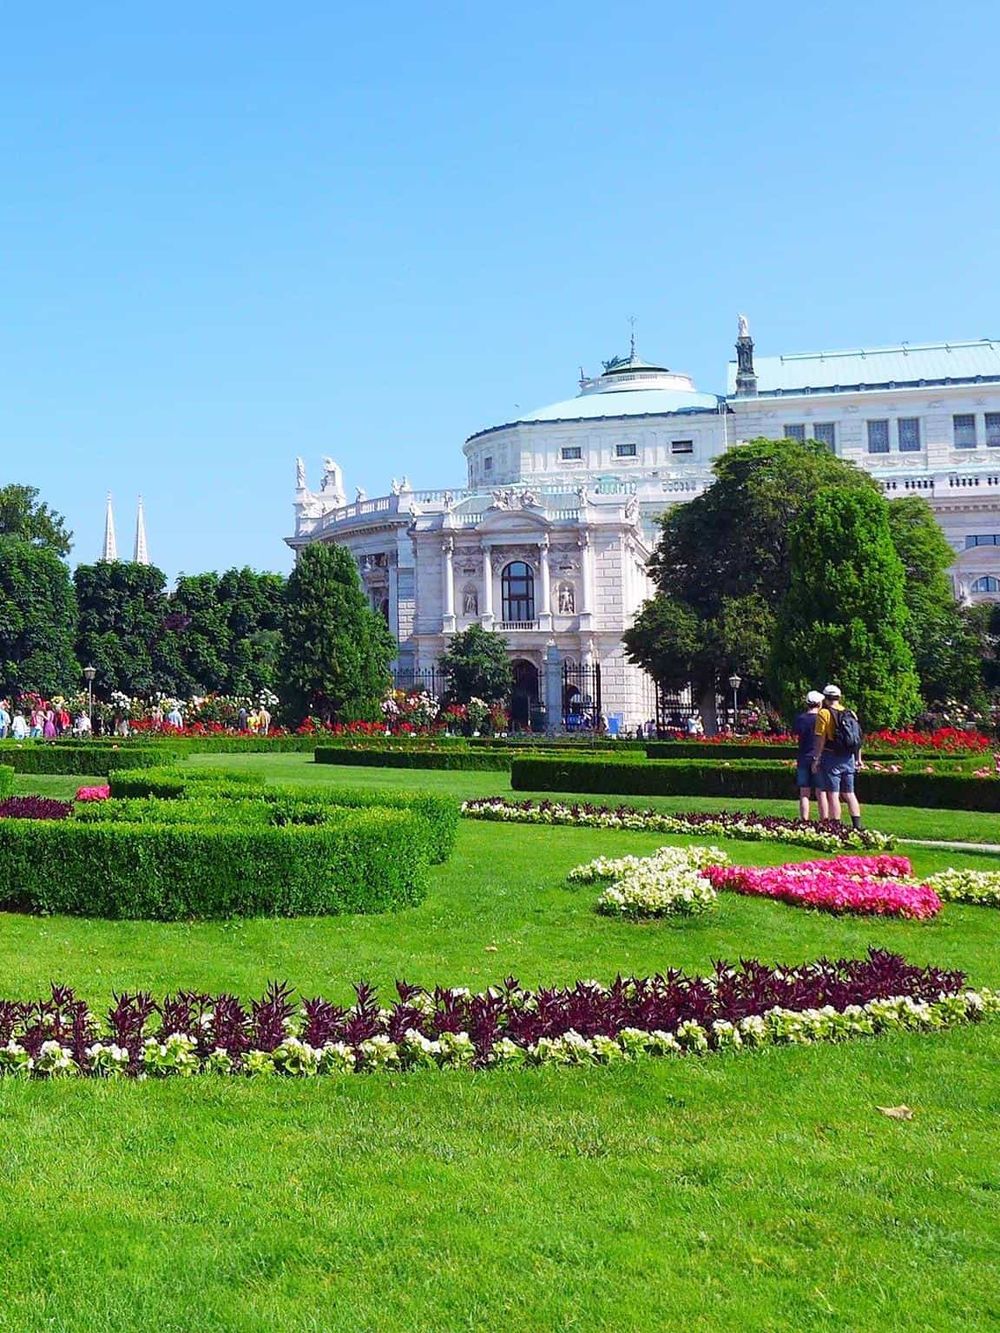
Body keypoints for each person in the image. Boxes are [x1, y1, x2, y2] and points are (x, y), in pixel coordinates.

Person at [812, 684, 864, 829]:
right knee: (849, 793)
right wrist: (858, 759)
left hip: (832, 756)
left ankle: (836, 826)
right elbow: (857, 739)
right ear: (839, 697)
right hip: (849, 757)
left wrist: (816, 758)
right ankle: (857, 825)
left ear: (825, 698)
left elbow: (820, 739)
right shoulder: (851, 713)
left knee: (833, 794)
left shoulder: (824, 713)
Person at [793, 690, 826, 820]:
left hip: (803, 757)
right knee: (820, 792)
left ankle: (804, 820)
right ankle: (825, 820)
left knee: (804, 792)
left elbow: (797, 733)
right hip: (819, 757)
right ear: (819, 703)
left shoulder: (800, 719)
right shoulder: (822, 718)